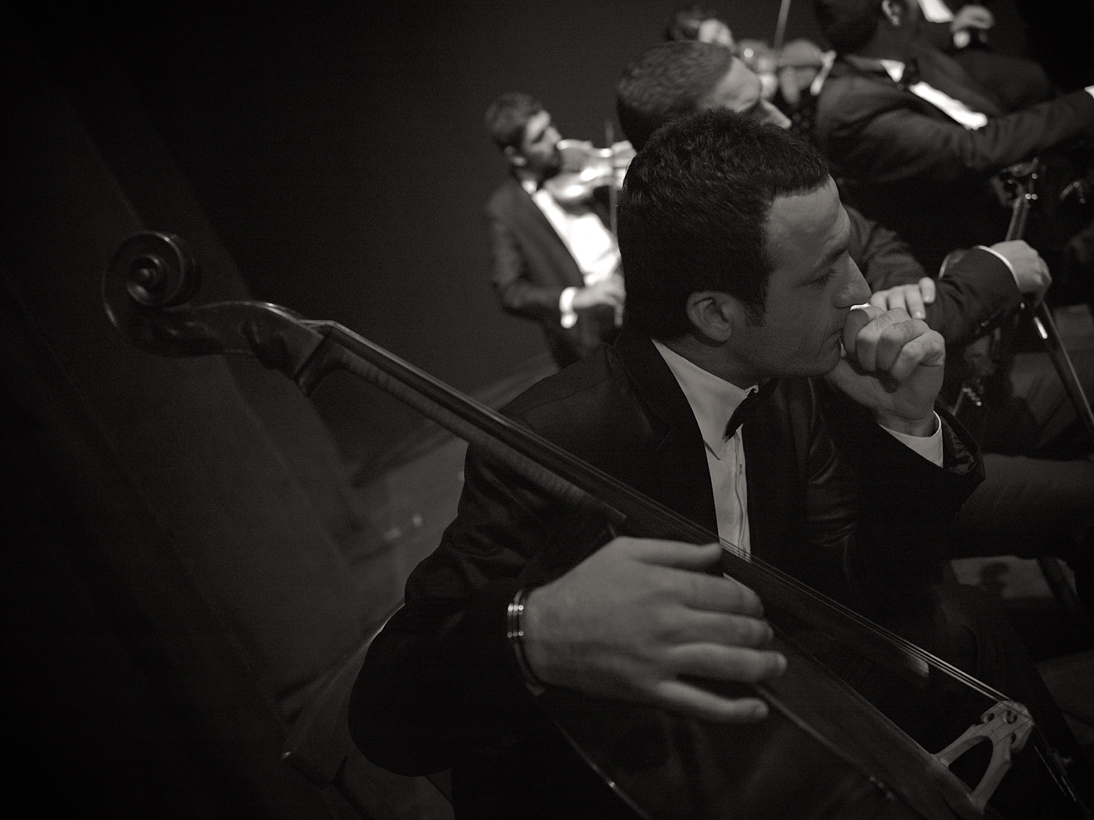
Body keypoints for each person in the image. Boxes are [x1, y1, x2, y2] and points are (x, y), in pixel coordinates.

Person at [349, 109, 1088, 817]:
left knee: (970, 627)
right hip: (643, 766)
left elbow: (872, 589)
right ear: (715, 314)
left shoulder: (788, 378)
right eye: (823, 274)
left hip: (776, 692)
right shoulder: (554, 439)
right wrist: (535, 631)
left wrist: (905, 425)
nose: (860, 291)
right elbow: (386, 709)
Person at [616, 38, 1094, 614]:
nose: (780, 119)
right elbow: (848, 340)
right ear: (692, 145)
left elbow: (877, 243)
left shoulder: (786, 186)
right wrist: (991, 273)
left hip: (935, 394)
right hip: (881, 458)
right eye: (748, 113)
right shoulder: (710, 262)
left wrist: (906, 286)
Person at [810, 0, 1094, 281]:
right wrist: (1088, 101)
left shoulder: (899, 48)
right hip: (988, 236)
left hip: (1025, 182)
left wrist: (953, 28)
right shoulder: (850, 110)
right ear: (892, 11)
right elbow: (973, 151)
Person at [483, 92, 626, 368]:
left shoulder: (582, 164)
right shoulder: (504, 210)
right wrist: (576, 298)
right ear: (516, 156)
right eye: (539, 138)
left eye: (550, 126)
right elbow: (511, 291)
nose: (555, 139)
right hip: (595, 333)